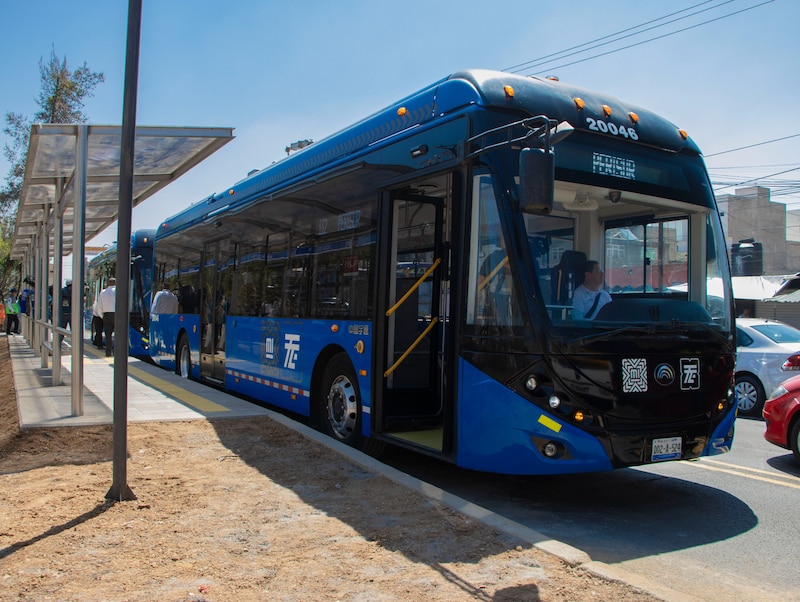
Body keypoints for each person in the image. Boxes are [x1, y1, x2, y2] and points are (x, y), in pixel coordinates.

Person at [97, 278, 116, 357]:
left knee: (108, 335)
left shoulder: (103, 292)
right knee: (118, 335)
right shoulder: (118, 291)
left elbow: (99, 306)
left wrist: (102, 316)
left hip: (106, 315)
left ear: (108, 283)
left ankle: (108, 352)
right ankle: (116, 351)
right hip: (116, 315)